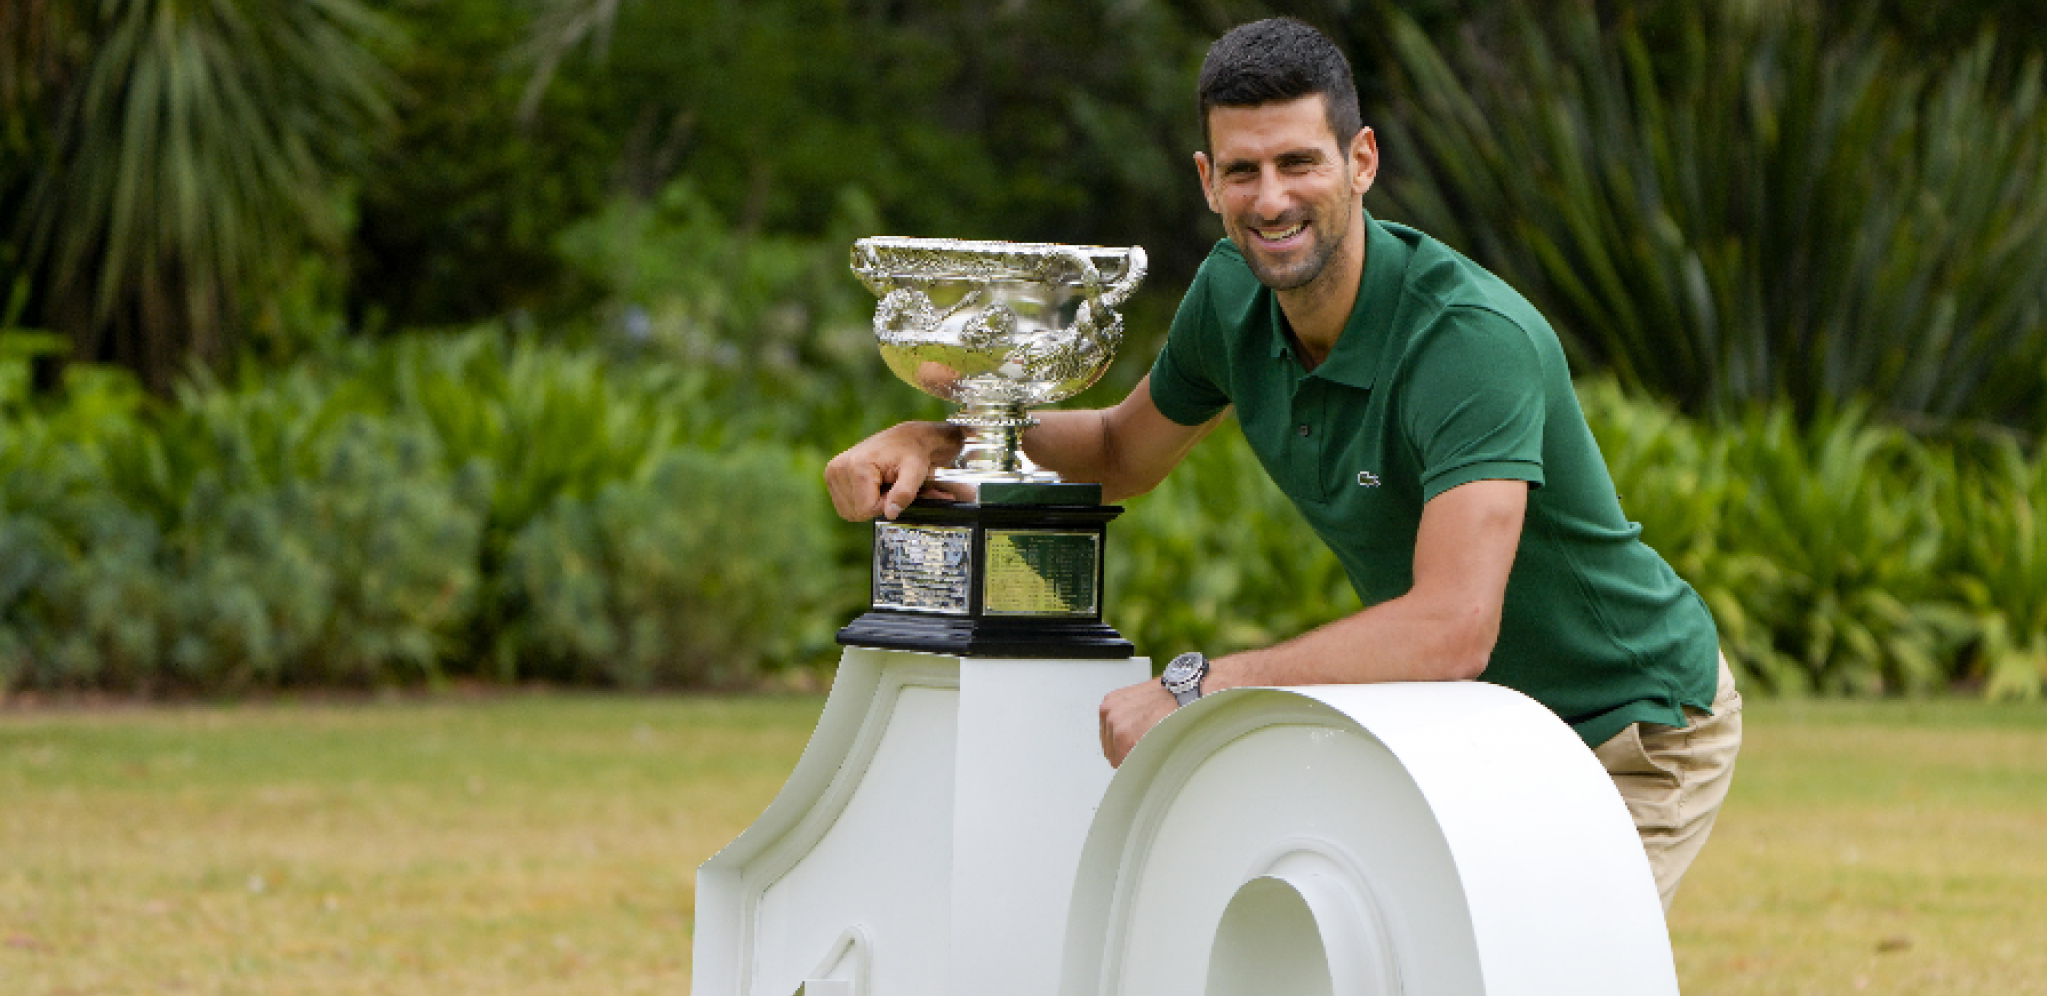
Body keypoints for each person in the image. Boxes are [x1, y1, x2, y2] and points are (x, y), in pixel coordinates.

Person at [823, 17, 1740, 911]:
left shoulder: (1468, 342)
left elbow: (1451, 627)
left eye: (1299, 162)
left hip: (1631, 721)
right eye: (1242, 170)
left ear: (1361, 161)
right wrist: (943, 438)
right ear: (1205, 179)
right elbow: (1117, 452)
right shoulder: (1230, 295)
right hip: (1475, 726)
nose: (1270, 200)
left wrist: (1196, 688)